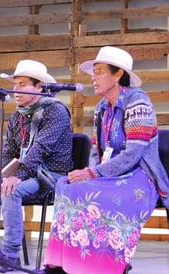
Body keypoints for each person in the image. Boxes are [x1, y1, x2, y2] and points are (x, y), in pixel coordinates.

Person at [33, 46, 169, 274]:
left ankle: (105, 265)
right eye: (93, 72)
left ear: (117, 75)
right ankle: (62, 265)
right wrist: (91, 175)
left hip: (139, 177)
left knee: (88, 193)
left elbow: (133, 154)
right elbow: (98, 151)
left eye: (99, 71)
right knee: (66, 185)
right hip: (109, 174)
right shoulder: (102, 107)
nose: (93, 77)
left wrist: (94, 175)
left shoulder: (138, 102)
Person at [0, 60, 73, 271]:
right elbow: (9, 152)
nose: (16, 90)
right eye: (15, 84)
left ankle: (10, 255)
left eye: (22, 84)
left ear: (39, 87)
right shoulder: (17, 115)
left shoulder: (55, 111)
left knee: (11, 191)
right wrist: (5, 175)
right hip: (24, 173)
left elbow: (41, 149)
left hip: (50, 175)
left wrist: (16, 177)